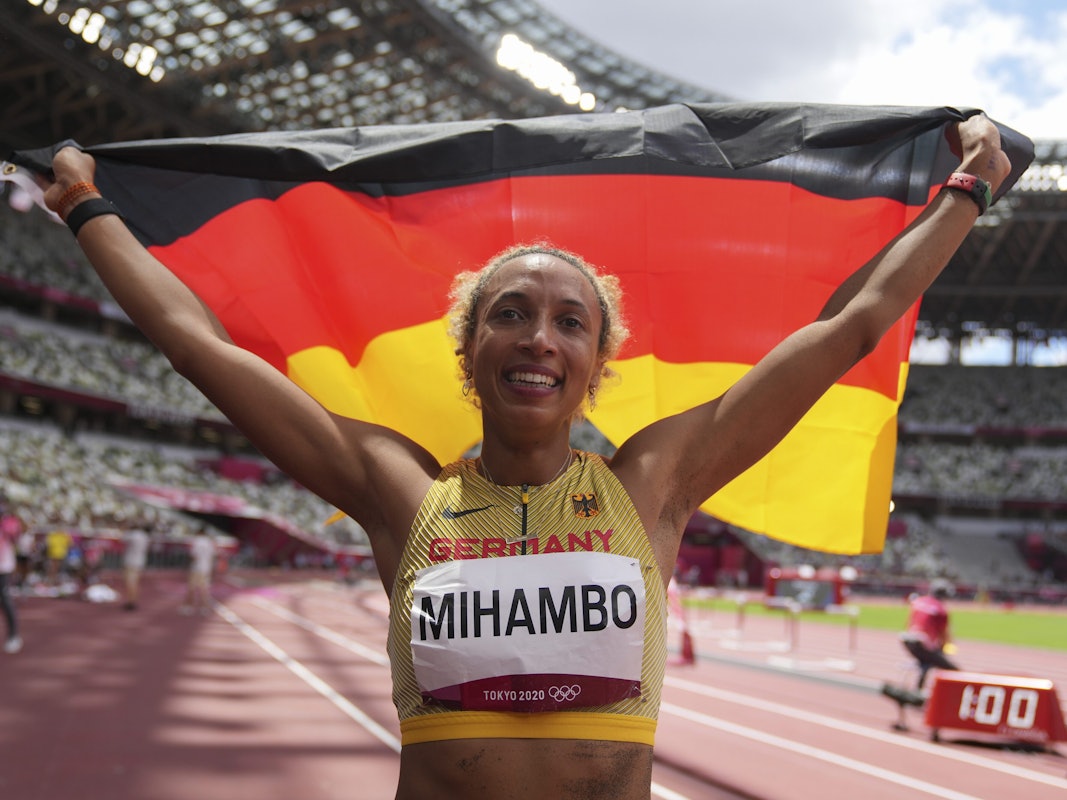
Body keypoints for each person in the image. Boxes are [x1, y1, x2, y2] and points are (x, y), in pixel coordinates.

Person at [42, 116, 1010, 799]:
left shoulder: (653, 482)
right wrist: (85, 203)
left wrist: (966, 189)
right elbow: (197, 346)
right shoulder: (398, 491)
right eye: (509, 314)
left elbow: (851, 326)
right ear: (468, 351)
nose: (538, 337)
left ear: (598, 361)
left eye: (568, 321)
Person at [900, 579, 959, 690]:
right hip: (923, 643)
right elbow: (944, 633)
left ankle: (919, 688)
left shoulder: (918, 602)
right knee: (951, 668)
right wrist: (947, 645)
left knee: (926, 661)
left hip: (907, 640)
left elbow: (909, 623)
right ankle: (943, 692)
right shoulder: (940, 610)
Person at [1, 501, 24, 654]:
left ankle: (13, 636)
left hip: (3, 567)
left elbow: (16, 536)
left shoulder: (9, 522)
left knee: (4, 599)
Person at [180, 528, 216, 616]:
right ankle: (204, 607)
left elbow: (194, 555)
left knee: (192, 587)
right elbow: (212, 556)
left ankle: (188, 606)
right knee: (204, 587)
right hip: (206, 568)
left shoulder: (197, 541)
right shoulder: (209, 542)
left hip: (197, 568)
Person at [122, 524, 151, 610]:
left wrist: (127, 529)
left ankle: (131, 601)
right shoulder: (145, 536)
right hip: (140, 560)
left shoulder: (134, 534)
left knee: (131, 582)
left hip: (131, 561)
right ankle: (133, 600)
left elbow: (123, 538)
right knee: (135, 582)